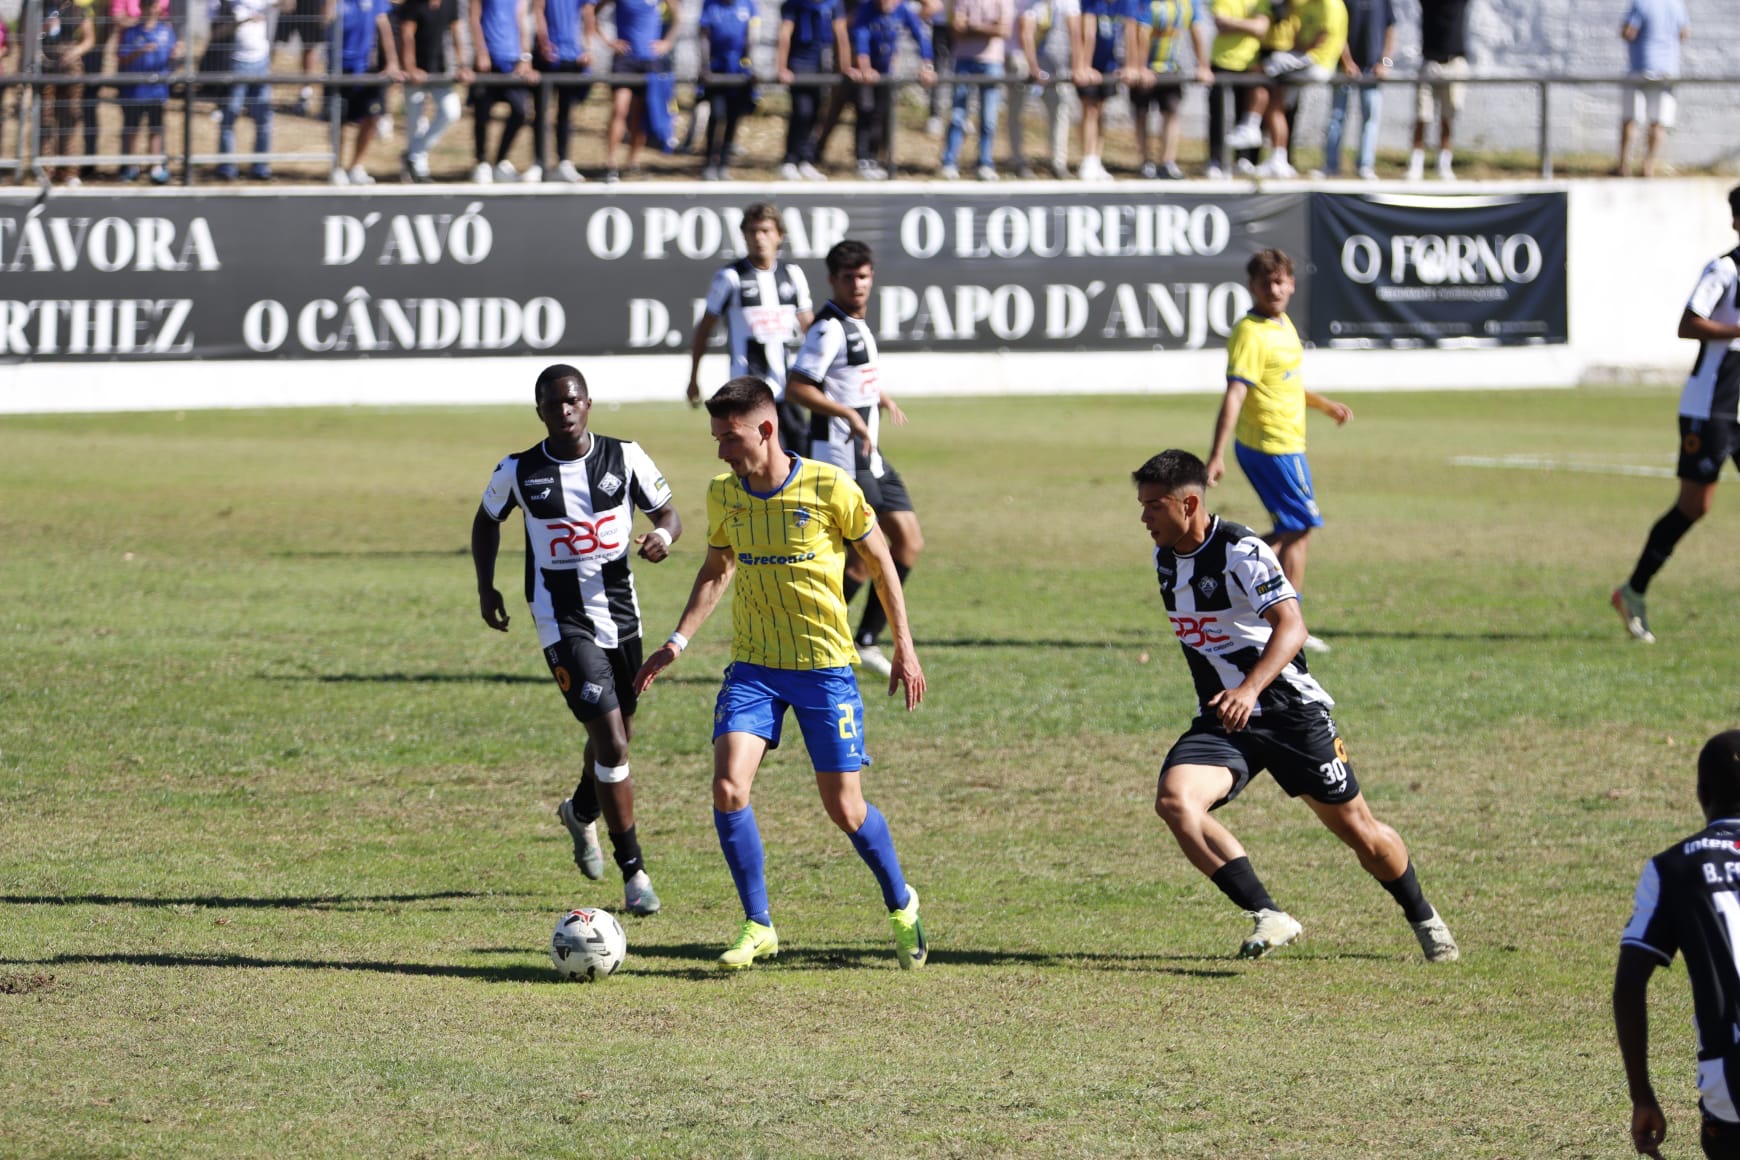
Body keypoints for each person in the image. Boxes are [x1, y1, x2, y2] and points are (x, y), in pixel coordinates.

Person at [632, 375, 928, 971]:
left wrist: (904, 645)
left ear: (766, 429)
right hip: (755, 669)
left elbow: (881, 561)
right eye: (716, 438)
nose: (721, 451)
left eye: (730, 437)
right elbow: (718, 569)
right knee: (727, 787)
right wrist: (676, 642)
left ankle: (901, 902)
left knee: (845, 809)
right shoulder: (725, 494)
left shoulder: (830, 486)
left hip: (824, 669)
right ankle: (758, 924)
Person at [1132, 448, 1459, 962]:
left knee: (1362, 834)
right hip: (1226, 719)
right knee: (1176, 801)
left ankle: (1423, 916)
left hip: (1290, 713)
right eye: (1142, 506)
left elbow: (1292, 627)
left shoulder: (1243, 551)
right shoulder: (1166, 559)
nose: (1144, 518)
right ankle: (1269, 914)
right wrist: (1235, 697)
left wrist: (1249, 689)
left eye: (1154, 506)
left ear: (1189, 504)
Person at [471, 365, 681, 918]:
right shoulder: (519, 470)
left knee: (620, 735)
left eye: (571, 401)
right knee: (612, 743)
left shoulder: (625, 456)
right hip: (560, 620)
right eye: (552, 403)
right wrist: (486, 586)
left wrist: (662, 536)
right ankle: (634, 872)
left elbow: (668, 513)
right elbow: (486, 520)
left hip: (622, 616)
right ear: (539, 411)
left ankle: (580, 812)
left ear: (587, 403)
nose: (563, 411)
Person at [785, 240, 922, 679]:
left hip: (870, 454)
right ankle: (812, 638)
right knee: (866, 556)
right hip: (842, 457)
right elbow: (797, 387)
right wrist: (847, 413)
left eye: (863, 276)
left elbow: (849, 376)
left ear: (871, 276)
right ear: (833, 280)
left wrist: (879, 396)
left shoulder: (856, 323)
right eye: (848, 278)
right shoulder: (827, 329)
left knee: (909, 542)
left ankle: (863, 639)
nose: (857, 285)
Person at [1612, 185, 1740, 646]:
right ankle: (1632, 591)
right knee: (1694, 506)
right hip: (1711, 408)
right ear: (1736, 222)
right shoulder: (1724, 270)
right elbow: (1688, 324)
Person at [1204, 249, 1347, 654]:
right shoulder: (1251, 332)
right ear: (1252, 286)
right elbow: (1236, 393)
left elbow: (1285, 383)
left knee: (1293, 529)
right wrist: (1216, 454)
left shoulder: (1282, 325)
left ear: (1292, 284)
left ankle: (1226, 571)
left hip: (1285, 443)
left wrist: (1324, 405)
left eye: (1280, 281)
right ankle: (1286, 622)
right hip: (1270, 445)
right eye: (1265, 282)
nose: (1274, 289)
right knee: (1299, 528)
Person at [1615, 731, 1740, 1160]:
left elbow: (1629, 984)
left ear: (1701, 793)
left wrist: (1642, 1095)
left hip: (1732, 1081)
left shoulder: (1674, 868)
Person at [688, 204, 816, 456]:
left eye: (766, 231)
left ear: (779, 235)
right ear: (744, 236)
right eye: (752, 231)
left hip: (789, 390)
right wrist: (694, 378)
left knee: (801, 460)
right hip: (749, 393)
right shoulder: (730, 277)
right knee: (762, 461)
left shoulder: (792, 275)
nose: (759, 237)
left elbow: (810, 330)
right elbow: (705, 329)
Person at [593, 0, 681, 184]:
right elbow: (593, 12)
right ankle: (610, 163)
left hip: (650, 62)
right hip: (625, 60)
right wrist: (609, 42)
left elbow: (677, 17)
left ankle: (633, 162)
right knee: (620, 109)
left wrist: (667, 43)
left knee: (640, 114)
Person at [1256, 0, 1346, 179]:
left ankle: (1250, 121)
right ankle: (1278, 158)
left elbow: (1321, 39)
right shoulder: (1307, 5)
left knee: (1262, 71)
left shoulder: (1330, 5)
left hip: (1315, 62)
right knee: (1278, 106)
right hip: (1310, 61)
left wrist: (1297, 48)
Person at [850, 0, 935, 180]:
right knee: (865, 110)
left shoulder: (903, 9)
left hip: (886, 71)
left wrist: (927, 65)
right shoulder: (866, 9)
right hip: (867, 70)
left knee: (880, 114)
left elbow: (921, 35)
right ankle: (862, 159)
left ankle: (874, 158)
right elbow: (861, 37)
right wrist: (865, 67)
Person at [1126, 0, 1210, 180]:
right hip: (1146, 69)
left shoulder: (1189, 4)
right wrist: (1141, 67)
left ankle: (1168, 161)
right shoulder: (1148, 3)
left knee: (1171, 111)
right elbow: (1141, 33)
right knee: (1141, 113)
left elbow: (1196, 31)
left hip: (1170, 68)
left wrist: (1203, 65)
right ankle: (1145, 161)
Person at [327, 0, 402, 184]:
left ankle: (356, 166)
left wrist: (392, 62)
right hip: (338, 68)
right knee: (338, 121)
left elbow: (384, 25)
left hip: (366, 67)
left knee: (372, 116)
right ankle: (337, 167)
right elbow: (325, 20)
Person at [775, 0, 849, 181]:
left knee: (816, 114)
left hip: (821, 66)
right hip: (799, 64)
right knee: (802, 111)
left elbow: (840, 34)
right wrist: (781, 67)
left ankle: (806, 159)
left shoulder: (833, 5)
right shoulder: (795, 4)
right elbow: (785, 33)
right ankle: (790, 159)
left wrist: (845, 67)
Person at [938, 0, 1011, 182]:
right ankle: (949, 161)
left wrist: (972, 27)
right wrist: (988, 28)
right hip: (963, 59)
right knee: (957, 115)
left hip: (992, 62)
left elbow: (1003, 30)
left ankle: (985, 163)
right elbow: (956, 29)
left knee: (988, 118)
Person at [399, 0, 471, 183]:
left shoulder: (450, 4)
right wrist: (410, 67)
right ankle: (418, 170)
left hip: (439, 70)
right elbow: (407, 35)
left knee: (451, 111)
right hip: (416, 73)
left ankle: (413, 153)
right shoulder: (414, 4)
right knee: (415, 121)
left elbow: (457, 33)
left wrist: (463, 65)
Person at [1617, 0, 1689, 179]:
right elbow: (1684, 33)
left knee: (1631, 119)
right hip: (1667, 71)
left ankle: (1623, 165)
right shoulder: (1676, 4)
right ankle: (1647, 166)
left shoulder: (1641, 2)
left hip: (1641, 67)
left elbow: (1629, 32)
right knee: (1658, 122)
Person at [1007, 0, 1078, 179]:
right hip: (1022, 61)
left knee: (1060, 108)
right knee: (1017, 111)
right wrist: (1033, 67)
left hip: (1051, 64)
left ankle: (1058, 162)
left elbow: (1075, 31)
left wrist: (1078, 66)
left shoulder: (1065, 4)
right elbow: (1026, 34)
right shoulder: (1027, 4)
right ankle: (1018, 160)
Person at [1323, 0, 1393, 180]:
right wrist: (1347, 61)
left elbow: (1390, 28)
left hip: (1372, 69)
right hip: (1343, 68)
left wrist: (1385, 63)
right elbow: (1336, 28)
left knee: (1370, 117)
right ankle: (1331, 166)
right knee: (1337, 116)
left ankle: (1365, 166)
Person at [469, 0, 538, 183]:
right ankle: (481, 162)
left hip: (512, 61)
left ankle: (499, 161)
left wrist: (526, 57)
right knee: (482, 112)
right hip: (489, 58)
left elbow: (521, 19)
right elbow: (474, 17)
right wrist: (481, 51)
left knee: (521, 111)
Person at [1205, 0, 1270, 178]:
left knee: (1247, 118)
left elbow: (1261, 29)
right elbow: (1221, 25)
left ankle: (1245, 159)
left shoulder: (1260, 2)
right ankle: (1216, 159)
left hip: (1250, 63)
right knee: (1218, 114)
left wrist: (1233, 23)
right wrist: (1250, 25)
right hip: (1223, 62)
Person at [115, 0, 177, 184]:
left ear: (158, 8)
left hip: (157, 90)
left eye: (153, 5)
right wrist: (139, 51)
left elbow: (173, 58)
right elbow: (122, 58)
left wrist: (177, 55)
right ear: (141, 8)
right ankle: (131, 166)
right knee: (132, 128)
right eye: (146, 6)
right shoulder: (131, 32)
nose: (150, 9)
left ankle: (156, 166)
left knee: (156, 128)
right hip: (134, 91)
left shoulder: (166, 31)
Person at [1407, 0, 1469, 181]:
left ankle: (1444, 164)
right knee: (1422, 115)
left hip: (1454, 62)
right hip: (1430, 62)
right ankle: (1416, 165)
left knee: (1448, 117)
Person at [696, 0, 757, 181]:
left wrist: (750, 65)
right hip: (717, 67)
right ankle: (709, 161)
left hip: (738, 68)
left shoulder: (747, 5)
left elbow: (751, 37)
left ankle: (724, 162)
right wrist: (705, 66)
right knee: (717, 114)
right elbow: (704, 35)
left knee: (733, 117)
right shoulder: (711, 5)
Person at [216, 0, 276, 180]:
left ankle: (261, 167)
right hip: (237, 64)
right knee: (229, 115)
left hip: (262, 64)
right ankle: (227, 167)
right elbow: (216, 33)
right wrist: (245, 20)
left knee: (264, 118)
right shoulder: (227, 5)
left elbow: (290, 5)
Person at [38, 0, 95, 186]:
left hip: (71, 68)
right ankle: (45, 169)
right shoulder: (40, 6)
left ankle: (69, 170)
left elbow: (89, 39)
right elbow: (27, 34)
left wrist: (74, 52)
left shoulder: (77, 8)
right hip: (45, 65)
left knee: (70, 119)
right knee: (45, 119)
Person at [1070, 0, 1128, 182]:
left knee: (1101, 112)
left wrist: (1126, 64)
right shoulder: (1091, 3)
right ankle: (1087, 157)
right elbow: (1088, 34)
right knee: (1089, 110)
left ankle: (1096, 158)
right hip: (1090, 65)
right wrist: (1085, 66)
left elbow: (1128, 32)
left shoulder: (1120, 5)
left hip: (1108, 65)